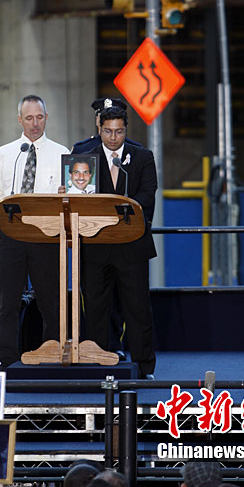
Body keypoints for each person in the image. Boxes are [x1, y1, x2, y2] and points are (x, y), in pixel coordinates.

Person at [0, 94, 69, 369]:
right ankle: (7, 359)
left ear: (47, 118)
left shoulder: (62, 153)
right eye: (29, 118)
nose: (35, 123)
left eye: (39, 117)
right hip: (11, 234)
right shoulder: (4, 154)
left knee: (51, 300)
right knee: (7, 300)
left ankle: (53, 353)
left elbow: (68, 196)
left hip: (46, 235)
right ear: (19, 120)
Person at [81, 106, 157, 378]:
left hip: (132, 245)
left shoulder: (143, 157)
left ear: (126, 130)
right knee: (96, 308)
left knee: (138, 308)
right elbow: (80, 198)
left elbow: (147, 195)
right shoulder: (84, 159)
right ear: (99, 129)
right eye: (108, 131)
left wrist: (115, 214)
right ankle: (98, 362)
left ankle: (144, 367)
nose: (113, 137)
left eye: (119, 131)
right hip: (94, 246)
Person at [72, 97, 142, 154]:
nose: (113, 137)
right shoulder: (81, 149)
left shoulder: (136, 150)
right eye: (103, 118)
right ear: (97, 120)